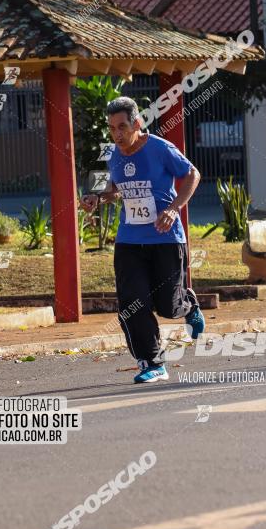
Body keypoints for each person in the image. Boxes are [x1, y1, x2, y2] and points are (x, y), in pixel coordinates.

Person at [80, 97, 205, 383]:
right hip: (130, 241)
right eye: (112, 129)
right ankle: (152, 362)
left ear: (137, 123)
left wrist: (173, 210)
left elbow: (192, 174)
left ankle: (187, 303)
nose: (117, 134)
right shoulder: (113, 153)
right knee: (132, 303)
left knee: (166, 306)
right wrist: (96, 198)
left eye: (122, 126)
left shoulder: (160, 148)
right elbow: (115, 187)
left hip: (165, 239)